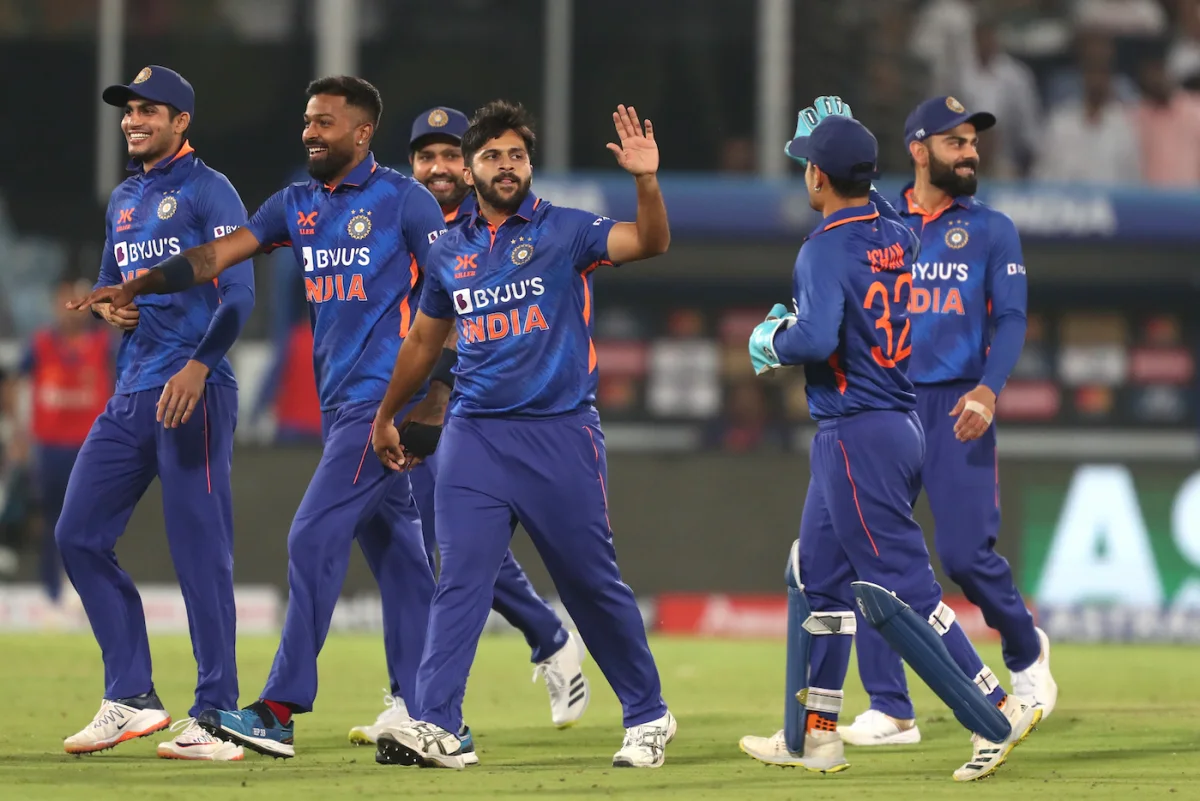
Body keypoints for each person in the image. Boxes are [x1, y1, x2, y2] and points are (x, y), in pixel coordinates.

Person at [71, 76, 443, 761]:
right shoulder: (295, 205)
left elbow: (454, 288)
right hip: (343, 407)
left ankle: (276, 709)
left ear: (362, 134)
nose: (309, 132)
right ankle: (433, 714)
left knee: (310, 537)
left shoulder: (405, 199)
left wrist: (433, 395)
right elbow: (217, 257)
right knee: (402, 559)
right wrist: (139, 285)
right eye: (307, 120)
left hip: (379, 401)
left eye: (324, 123)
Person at [737, 99, 1041, 782]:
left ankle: (995, 709)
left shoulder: (822, 247)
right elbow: (869, 199)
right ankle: (814, 734)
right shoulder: (896, 231)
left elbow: (815, 338)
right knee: (818, 576)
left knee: (902, 584)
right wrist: (849, 151)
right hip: (896, 422)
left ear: (817, 178)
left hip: (855, 431)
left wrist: (769, 338)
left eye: (808, 166)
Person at [365, 100, 675, 769]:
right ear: (471, 170)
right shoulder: (449, 249)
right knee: (461, 578)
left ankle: (648, 713)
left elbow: (650, 242)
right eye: (493, 156)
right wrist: (388, 412)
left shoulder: (566, 231)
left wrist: (645, 181)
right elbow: (423, 340)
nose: (507, 167)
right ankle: (438, 722)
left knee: (591, 583)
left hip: (559, 432)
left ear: (529, 164)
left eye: (517, 155)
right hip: (475, 434)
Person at [351, 107, 592, 749]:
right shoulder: (402, 215)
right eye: (425, 157)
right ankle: (446, 684)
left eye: (450, 156)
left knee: (444, 546)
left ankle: (424, 701)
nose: (438, 168)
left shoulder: (489, 227)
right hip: (385, 398)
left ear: (473, 163)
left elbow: (472, 328)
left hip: (464, 412)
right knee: (419, 547)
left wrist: (435, 398)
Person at [840, 95, 1057, 748]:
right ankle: (890, 707)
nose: (972, 154)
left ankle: (1024, 649)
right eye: (957, 143)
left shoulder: (991, 228)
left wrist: (989, 391)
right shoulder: (874, 220)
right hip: (885, 401)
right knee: (876, 558)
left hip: (959, 403)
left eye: (973, 143)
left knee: (964, 554)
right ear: (919, 148)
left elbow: (1012, 317)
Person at [57, 65, 254, 761]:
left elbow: (240, 294)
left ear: (181, 122)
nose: (134, 120)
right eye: (129, 110)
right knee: (77, 533)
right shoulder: (125, 198)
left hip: (192, 390)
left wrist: (200, 365)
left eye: (149, 110)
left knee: (201, 553)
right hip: (132, 390)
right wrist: (114, 308)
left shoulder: (211, 189)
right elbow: (119, 293)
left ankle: (220, 713)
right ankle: (132, 694)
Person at [18, 278, 114, 606]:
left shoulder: (105, 344)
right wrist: (18, 432)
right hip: (50, 448)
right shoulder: (40, 344)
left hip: (91, 446)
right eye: (64, 300)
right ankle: (51, 594)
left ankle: (90, 593)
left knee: (93, 522)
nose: (71, 309)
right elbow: (15, 382)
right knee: (50, 521)